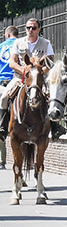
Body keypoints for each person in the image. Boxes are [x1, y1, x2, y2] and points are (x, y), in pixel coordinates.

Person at [0, 19, 66, 141]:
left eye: (33, 28)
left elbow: (50, 63)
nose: (30, 30)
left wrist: (40, 72)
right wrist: (24, 71)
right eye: (28, 27)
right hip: (21, 79)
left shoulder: (46, 43)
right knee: (4, 97)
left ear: (39, 30)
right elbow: (12, 63)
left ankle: (55, 127)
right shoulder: (18, 43)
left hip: (40, 79)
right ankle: (2, 127)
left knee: (53, 97)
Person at [0, 25, 18, 165]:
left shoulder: (1, 46)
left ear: (7, 35)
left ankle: (2, 127)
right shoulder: (21, 44)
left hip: (2, 82)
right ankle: (54, 126)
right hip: (17, 81)